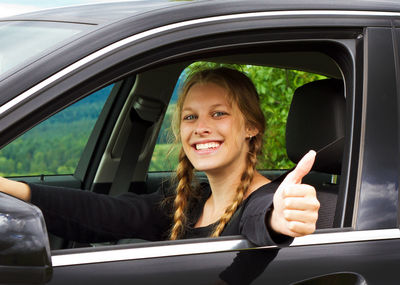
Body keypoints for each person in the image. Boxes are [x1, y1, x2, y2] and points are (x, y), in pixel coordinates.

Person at [0, 67, 319, 246]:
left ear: (251, 126)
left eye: (218, 114)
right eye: (191, 117)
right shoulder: (186, 200)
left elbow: (261, 219)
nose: (201, 128)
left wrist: (279, 220)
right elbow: (106, 213)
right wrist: (11, 189)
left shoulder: (268, 201)